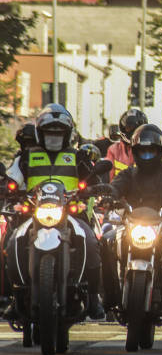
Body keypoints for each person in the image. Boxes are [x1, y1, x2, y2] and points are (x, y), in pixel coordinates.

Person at [4, 104, 105, 320]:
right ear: (41, 134)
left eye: (58, 134)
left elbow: (94, 178)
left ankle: (94, 297)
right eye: (49, 133)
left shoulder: (77, 157)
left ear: (67, 135)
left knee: (92, 241)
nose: (53, 138)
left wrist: (96, 187)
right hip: (32, 214)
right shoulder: (26, 158)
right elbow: (12, 178)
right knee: (11, 241)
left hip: (71, 214)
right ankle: (15, 297)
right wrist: (8, 187)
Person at [102, 124, 162, 319]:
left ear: (160, 151)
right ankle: (111, 295)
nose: (147, 154)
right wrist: (108, 196)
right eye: (142, 150)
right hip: (131, 226)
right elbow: (115, 187)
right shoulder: (129, 174)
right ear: (135, 152)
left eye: (151, 150)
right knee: (105, 242)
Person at [106, 108, 147, 180]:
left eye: (136, 128)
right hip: (119, 189)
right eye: (129, 127)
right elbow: (110, 177)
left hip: (144, 189)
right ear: (123, 128)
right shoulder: (113, 150)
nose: (133, 131)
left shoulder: (149, 148)